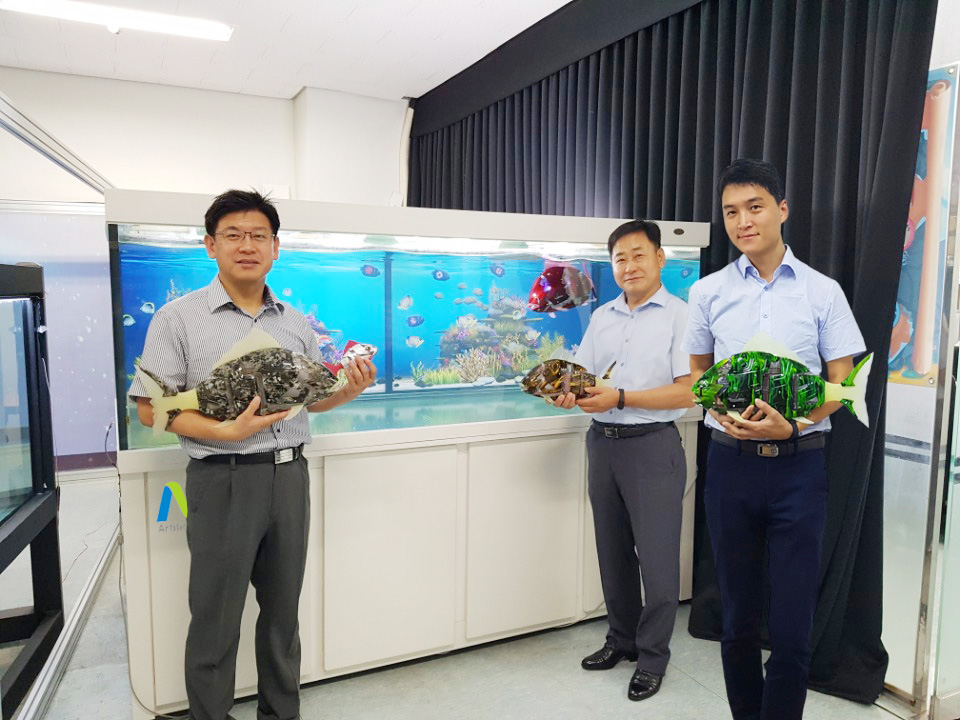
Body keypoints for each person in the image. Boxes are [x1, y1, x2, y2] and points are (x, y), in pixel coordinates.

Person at [128, 189, 376, 720]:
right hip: (223, 479)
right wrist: (224, 431)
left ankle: (281, 714)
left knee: (283, 615)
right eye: (234, 235)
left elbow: (313, 401)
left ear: (276, 247)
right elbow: (151, 411)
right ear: (210, 245)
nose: (247, 246)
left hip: (290, 476)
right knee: (215, 618)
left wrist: (349, 389)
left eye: (259, 235)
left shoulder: (295, 322)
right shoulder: (176, 318)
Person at [682, 159, 867, 720]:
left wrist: (795, 424)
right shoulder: (707, 292)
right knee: (736, 617)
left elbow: (844, 384)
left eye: (755, 207)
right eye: (730, 212)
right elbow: (698, 375)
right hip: (730, 466)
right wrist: (722, 411)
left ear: (782, 210)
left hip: (798, 470)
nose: (743, 221)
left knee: (791, 624)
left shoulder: (823, 292)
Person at [550, 219, 693, 701]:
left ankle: (652, 658)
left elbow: (690, 391)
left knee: (657, 561)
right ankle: (622, 639)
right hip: (602, 443)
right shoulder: (602, 316)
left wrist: (623, 397)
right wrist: (567, 393)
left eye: (638, 255)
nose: (629, 266)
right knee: (612, 552)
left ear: (660, 258)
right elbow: (585, 378)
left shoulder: (681, 316)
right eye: (619, 259)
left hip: (652, 445)